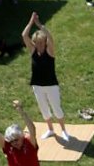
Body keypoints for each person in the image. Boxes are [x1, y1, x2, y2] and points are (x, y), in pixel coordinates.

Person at [21, 12, 69, 141]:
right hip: (37, 85)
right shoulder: (33, 51)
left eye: (41, 42)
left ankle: (64, 131)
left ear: (45, 42)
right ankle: (50, 130)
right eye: (37, 43)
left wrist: (39, 25)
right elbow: (24, 35)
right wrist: (31, 22)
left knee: (56, 108)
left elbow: (50, 37)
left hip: (51, 85)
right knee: (44, 109)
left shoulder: (50, 51)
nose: (39, 45)